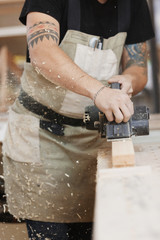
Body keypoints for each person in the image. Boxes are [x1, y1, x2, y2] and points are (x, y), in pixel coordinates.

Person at [2, 0, 154, 239]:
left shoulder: (134, 3)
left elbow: (138, 67)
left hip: (94, 143)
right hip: (42, 140)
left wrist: (129, 80)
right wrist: (99, 91)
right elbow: (43, 53)